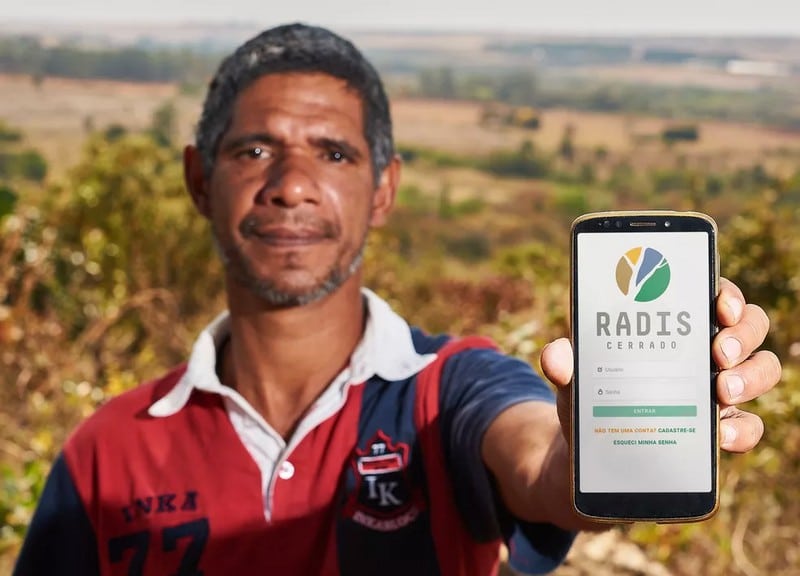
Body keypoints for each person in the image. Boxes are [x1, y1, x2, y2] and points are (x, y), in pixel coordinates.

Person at [14, 23, 780, 576]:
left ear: (384, 189)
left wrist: (596, 453)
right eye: (254, 150)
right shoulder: (105, 451)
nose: (291, 185)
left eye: (335, 153)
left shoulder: (451, 391)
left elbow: (537, 460)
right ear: (197, 181)